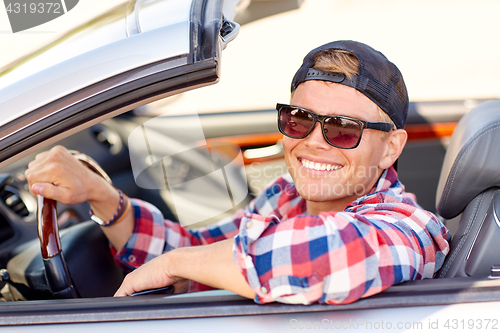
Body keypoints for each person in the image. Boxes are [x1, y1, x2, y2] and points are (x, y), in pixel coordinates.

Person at [25, 40, 450, 305]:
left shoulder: (410, 227)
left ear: (390, 148)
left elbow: (326, 256)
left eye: (343, 128)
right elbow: (200, 252)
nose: (314, 141)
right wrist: (102, 196)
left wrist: (179, 263)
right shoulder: (286, 197)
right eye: (299, 119)